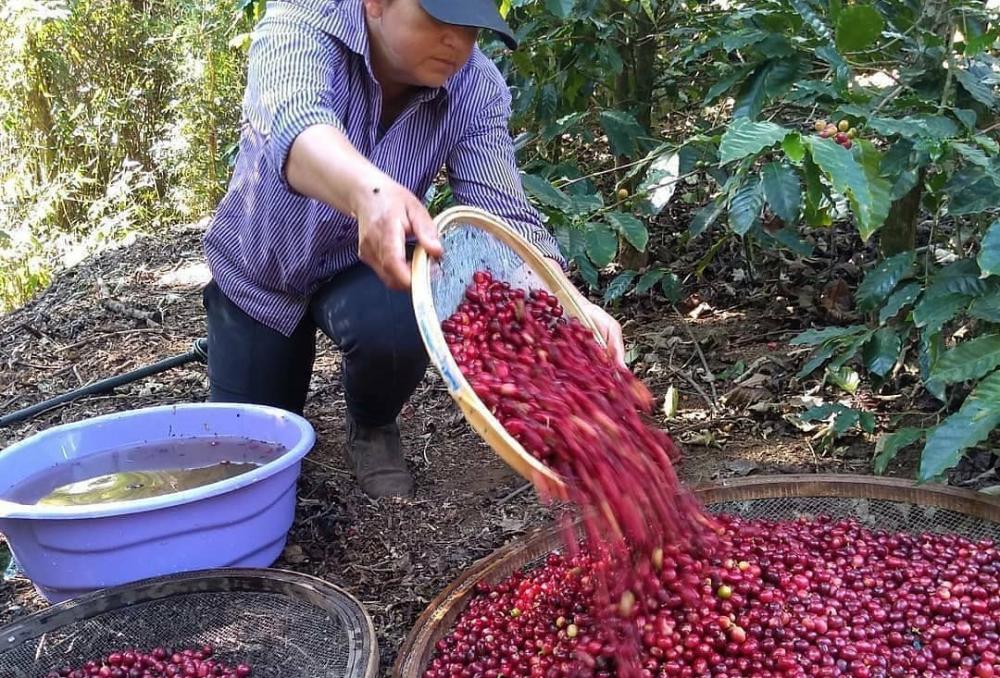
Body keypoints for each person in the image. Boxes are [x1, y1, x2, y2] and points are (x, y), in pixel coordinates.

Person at [201, 0, 625, 499]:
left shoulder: (474, 84)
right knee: (247, 460)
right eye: (441, 20)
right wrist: (366, 192)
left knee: (403, 321)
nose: (457, 42)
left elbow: (501, 209)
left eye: (471, 29)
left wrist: (563, 302)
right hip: (261, 272)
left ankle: (372, 422)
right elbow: (294, 120)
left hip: (368, 266)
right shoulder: (303, 21)